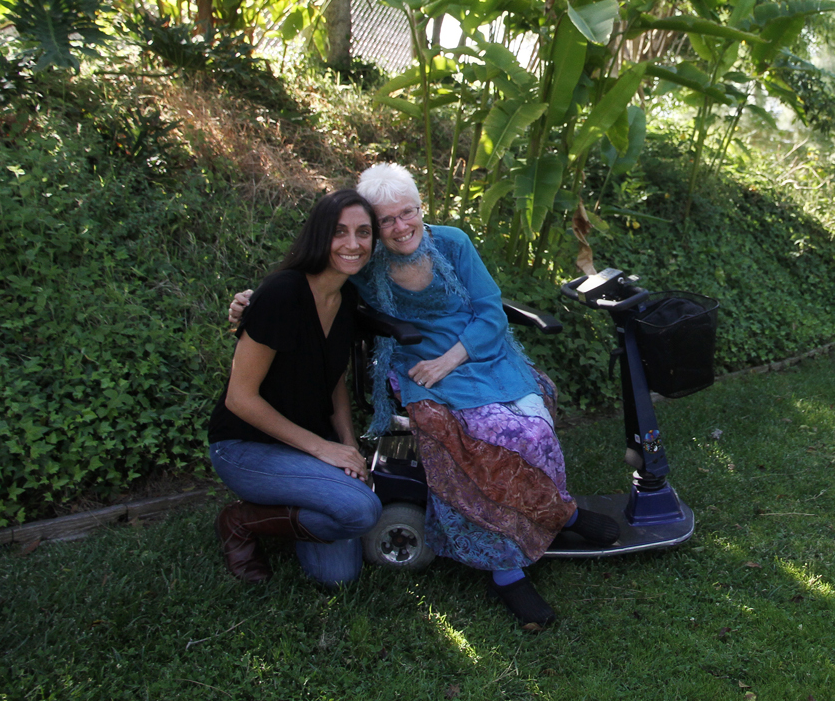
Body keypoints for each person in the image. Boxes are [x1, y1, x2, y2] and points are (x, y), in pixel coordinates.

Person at [230, 163, 618, 627]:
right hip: (416, 364)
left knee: (530, 431)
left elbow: (490, 310)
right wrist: (253, 302)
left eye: (407, 212)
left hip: (483, 354)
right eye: (386, 220)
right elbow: (309, 280)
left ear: (420, 208)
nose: (400, 227)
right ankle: (507, 570)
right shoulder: (363, 260)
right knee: (470, 437)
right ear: (375, 227)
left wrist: (452, 357)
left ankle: (558, 515)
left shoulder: (452, 242)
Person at [208, 189, 384, 588]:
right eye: (340, 232)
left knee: (338, 575)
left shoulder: (347, 296)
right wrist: (323, 449)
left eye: (363, 232)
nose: (353, 244)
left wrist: (347, 443)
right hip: (245, 446)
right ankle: (239, 520)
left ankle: (295, 497)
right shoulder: (282, 293)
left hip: (307, 441)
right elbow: (240, 399)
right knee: (361, 509)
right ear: (320, 234)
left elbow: (334, 376)